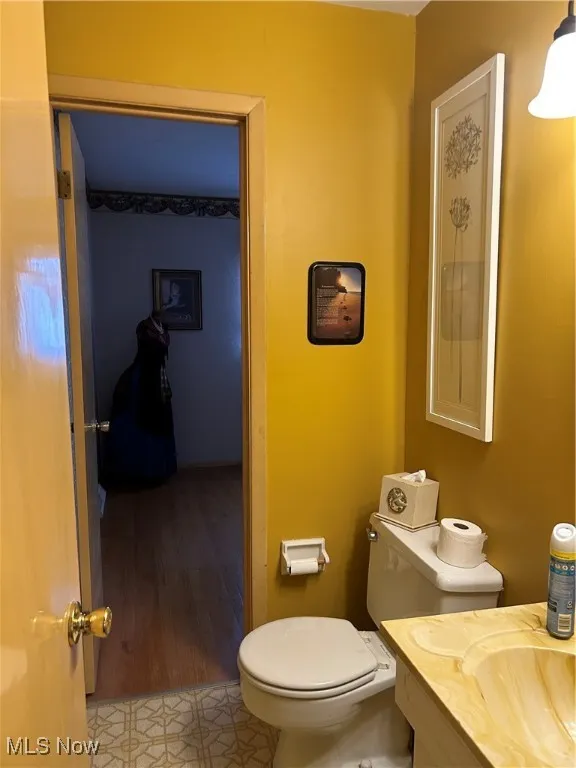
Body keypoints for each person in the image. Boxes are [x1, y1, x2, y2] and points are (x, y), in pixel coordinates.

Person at [104, 312, 177, 487]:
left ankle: (157, 470)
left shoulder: (162, 328)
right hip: (143, 378)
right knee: (140, 417)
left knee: (158, 420)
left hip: (158, 377)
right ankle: (136, 472)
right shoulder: (144, 327)